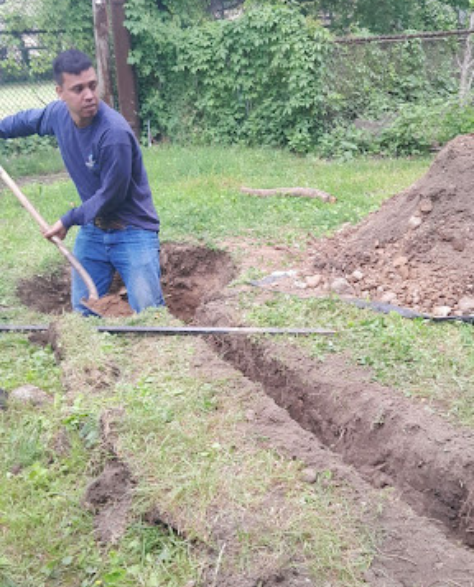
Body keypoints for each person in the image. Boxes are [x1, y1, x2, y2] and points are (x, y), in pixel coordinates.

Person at [0, 49, 165, 315]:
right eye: (78, 89)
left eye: (92, 85)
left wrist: (68, 220)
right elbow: (27, 121)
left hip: (133, 231)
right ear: (60, 92)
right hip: (93, 230)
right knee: (82, 313)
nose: (89, 95)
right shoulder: (57, 115)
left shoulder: (114, 133)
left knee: (149, 314)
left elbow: (112, 195)